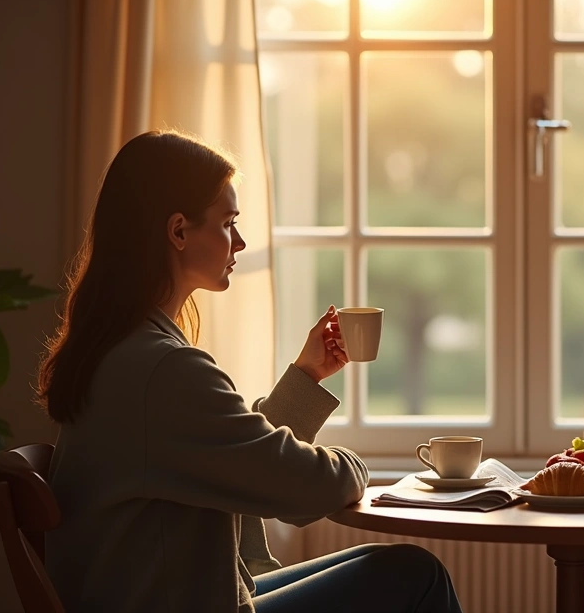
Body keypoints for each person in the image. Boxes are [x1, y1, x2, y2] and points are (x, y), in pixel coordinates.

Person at [36, 131, 462, 613]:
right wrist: (358, 467)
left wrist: (305, 377)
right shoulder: (166, 370)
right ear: (178, 232)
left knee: (392, 566)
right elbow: (305, 486)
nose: (239, 241)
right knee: (415, 575)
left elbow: (228, 456)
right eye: (227, 223)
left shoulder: (122, 350)